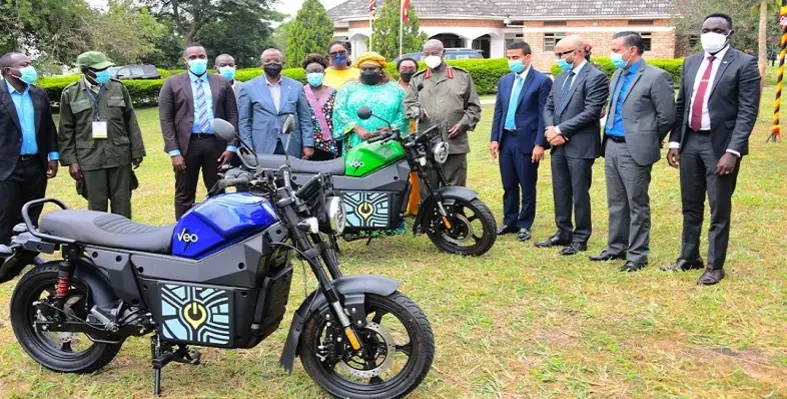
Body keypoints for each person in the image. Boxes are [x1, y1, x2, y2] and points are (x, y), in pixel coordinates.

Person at [662, 14, 761, 285]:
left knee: (719, 207)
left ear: (729, 33)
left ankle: (716, 266)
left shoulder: (744, 63)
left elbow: (748, 111)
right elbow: (681, 104)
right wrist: (675, 141)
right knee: (690, 204)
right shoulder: (691, 62)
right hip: (691, 141)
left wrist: (734, 151)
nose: (711, 34)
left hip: (720, 146)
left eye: (718, 30)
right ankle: (689, 257)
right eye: (706, 29)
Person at [589, 32, 676, 272]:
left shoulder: (656, 77)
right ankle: (616, 247)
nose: (613, 54)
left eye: (616, 50)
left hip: (634, 148)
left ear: (633, 51)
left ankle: (637, 254)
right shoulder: (617, 74)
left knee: (636, 203)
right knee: (616, 201)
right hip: (612, 145)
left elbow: (667, 115)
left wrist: (650, 137)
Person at [536, 35, 609, 256]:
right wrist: (551, 130)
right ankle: (563, 232)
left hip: (580, 144)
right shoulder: (559, 77)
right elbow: (548, 106)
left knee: (579, 192)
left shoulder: (595, 77)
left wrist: (561, 130)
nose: (558, 58)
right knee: (560, 189)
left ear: (576, 53)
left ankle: (581, 236)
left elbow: (591, 111)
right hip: (558, 144)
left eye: (561, 54)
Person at [59, 51, 145, 219]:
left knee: (122, 203)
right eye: (100, 69)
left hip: (119, 154)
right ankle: (100, 243)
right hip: (89, 158)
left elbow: (130, 121)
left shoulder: (118, 88)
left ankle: (124, 241)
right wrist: (71, 161)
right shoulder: (70, 93)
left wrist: (137, 151)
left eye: (106, 68)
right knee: (96, 206)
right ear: (86, 71)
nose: (105, 72)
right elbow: (65, 130)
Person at [159, 43, 238, 220]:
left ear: (207, 58)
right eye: (193, 57)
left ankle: (220, 231)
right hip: (186, 147)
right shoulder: (172, 83)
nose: (198, 60)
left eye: (201, 56)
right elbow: (166, 119)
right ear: (185, 61)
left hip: (215, 145)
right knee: (184, 194)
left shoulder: (221, 82)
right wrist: (174, 151)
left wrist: (231, 147)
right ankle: (183, 232)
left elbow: (232, 115)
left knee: (218, 192)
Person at [489, 41, 552, 242]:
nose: (512, 61)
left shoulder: (541, 81)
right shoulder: (505, 81)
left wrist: (540, 143)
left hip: (527, 141)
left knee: (527, 184)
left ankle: (525, 224)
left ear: (527, 57)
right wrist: (494, 138)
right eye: (509, 57)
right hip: (506, 139)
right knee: (508, 184)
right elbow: (499, 111)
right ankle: (510, 221)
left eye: (515, 57)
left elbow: (544, 115)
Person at [404, 39, 482, 192]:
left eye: (434, 53)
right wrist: (417, 111)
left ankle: (454, 215)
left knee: (455, 187)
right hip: (427, 143)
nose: (430, 57)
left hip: (454, 142)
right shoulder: (418, 79)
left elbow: (474, 107)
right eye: (426, 54)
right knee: (428, 188)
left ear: (443, 53)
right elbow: (408, 105)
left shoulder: (462, 77)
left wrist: (463, 124)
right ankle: (431, 216)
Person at [0, 52, 58, 245]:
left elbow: (49, 127)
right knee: (6, 214)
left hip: (36, 164)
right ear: (9, 71)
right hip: (7, 167)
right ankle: (4, 258)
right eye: (24, 65)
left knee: (32, 211)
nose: (30, 68)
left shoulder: (38, 93)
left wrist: (53, 156)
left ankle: (27, 253)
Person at [238, 48, 314, 158]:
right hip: (261, 145)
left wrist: (308, 144)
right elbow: (244, 121)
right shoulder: (248, 87)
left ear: (283, 63)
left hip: (291, 144)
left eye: (276, 60)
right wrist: (247, 146)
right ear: (261, 64)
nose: (272, 63)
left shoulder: (296, 86)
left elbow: (305, 118)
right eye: (267, 61)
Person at [332, 52, 407, 149]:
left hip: (387, 139)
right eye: (364, 69)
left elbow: (404, 112)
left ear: (380, 70)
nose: (367, 71)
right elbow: (339, 110)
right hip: (357, 140)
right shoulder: (348, 88)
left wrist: (392, 128)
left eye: (372, 69)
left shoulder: (396, 89)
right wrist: (357, 129)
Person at [302, 53, 338, 160]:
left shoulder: (333, 93)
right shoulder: (300, 92)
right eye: (310, 72)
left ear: (324, 73)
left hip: (330, 144)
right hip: (307, 145)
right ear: (306, 74)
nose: (314, 74)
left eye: (317, 71)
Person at [397, 56, 420, 215]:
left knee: (418, 171)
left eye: (411, 68)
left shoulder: (422, 87)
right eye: (404, 68)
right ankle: (400, 206)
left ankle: (416, 206)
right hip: (399, 134)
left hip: (418, 133)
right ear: (398, 70)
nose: (407, 71)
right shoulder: (394, 89)